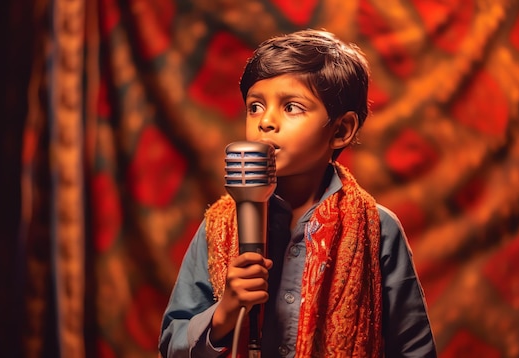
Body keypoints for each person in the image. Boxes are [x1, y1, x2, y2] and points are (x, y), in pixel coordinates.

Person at [159, 29, 437, 357]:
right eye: (255, 107)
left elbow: (414, 351)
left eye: (291, 107)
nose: (266, 122)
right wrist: (223, 315)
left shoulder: (377, 229)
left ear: (341, 130)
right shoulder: (219, 225)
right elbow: (171, 344)